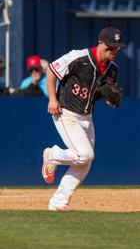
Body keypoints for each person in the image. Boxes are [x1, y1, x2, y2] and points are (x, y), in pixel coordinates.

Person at [41, 26, 125, 211]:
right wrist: (52, 99)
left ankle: (58, 202)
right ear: (100, 43)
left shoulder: (112, 70)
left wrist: (111, 100)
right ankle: (53, 155)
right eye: (110, 47)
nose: (114, 51)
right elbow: (51, 70)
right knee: (85, 155)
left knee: (85, 162)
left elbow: (104, 94)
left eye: (117, 47)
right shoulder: (79, 57)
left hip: (87, 116)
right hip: (66, 112)